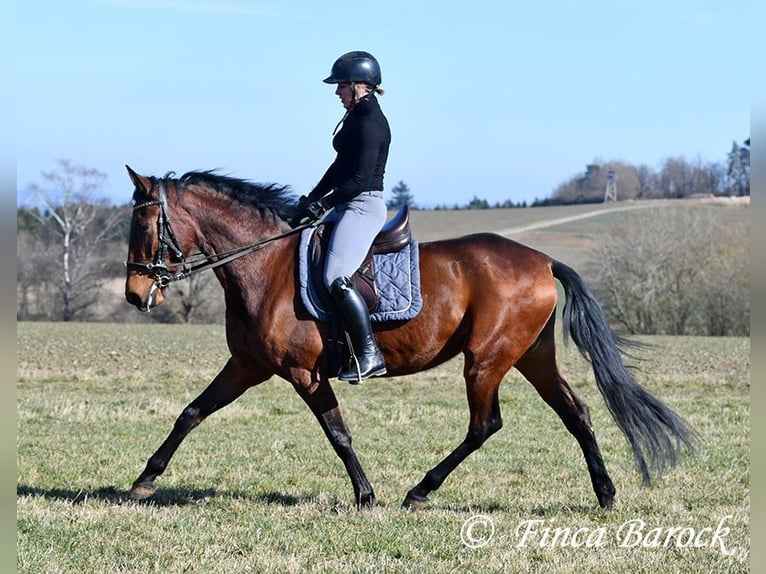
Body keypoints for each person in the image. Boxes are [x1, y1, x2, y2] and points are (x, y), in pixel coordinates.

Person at [293, 50, 391, 383]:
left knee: (335, 275)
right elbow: (338, 169)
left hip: (363, 205)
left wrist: (325, 205)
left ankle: (369, 354)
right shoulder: (356, 118)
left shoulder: (371, 123)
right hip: (347, 201)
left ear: (358, 86)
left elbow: (358, 181)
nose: (337, 93)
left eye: (340, 87)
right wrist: (312, 199)